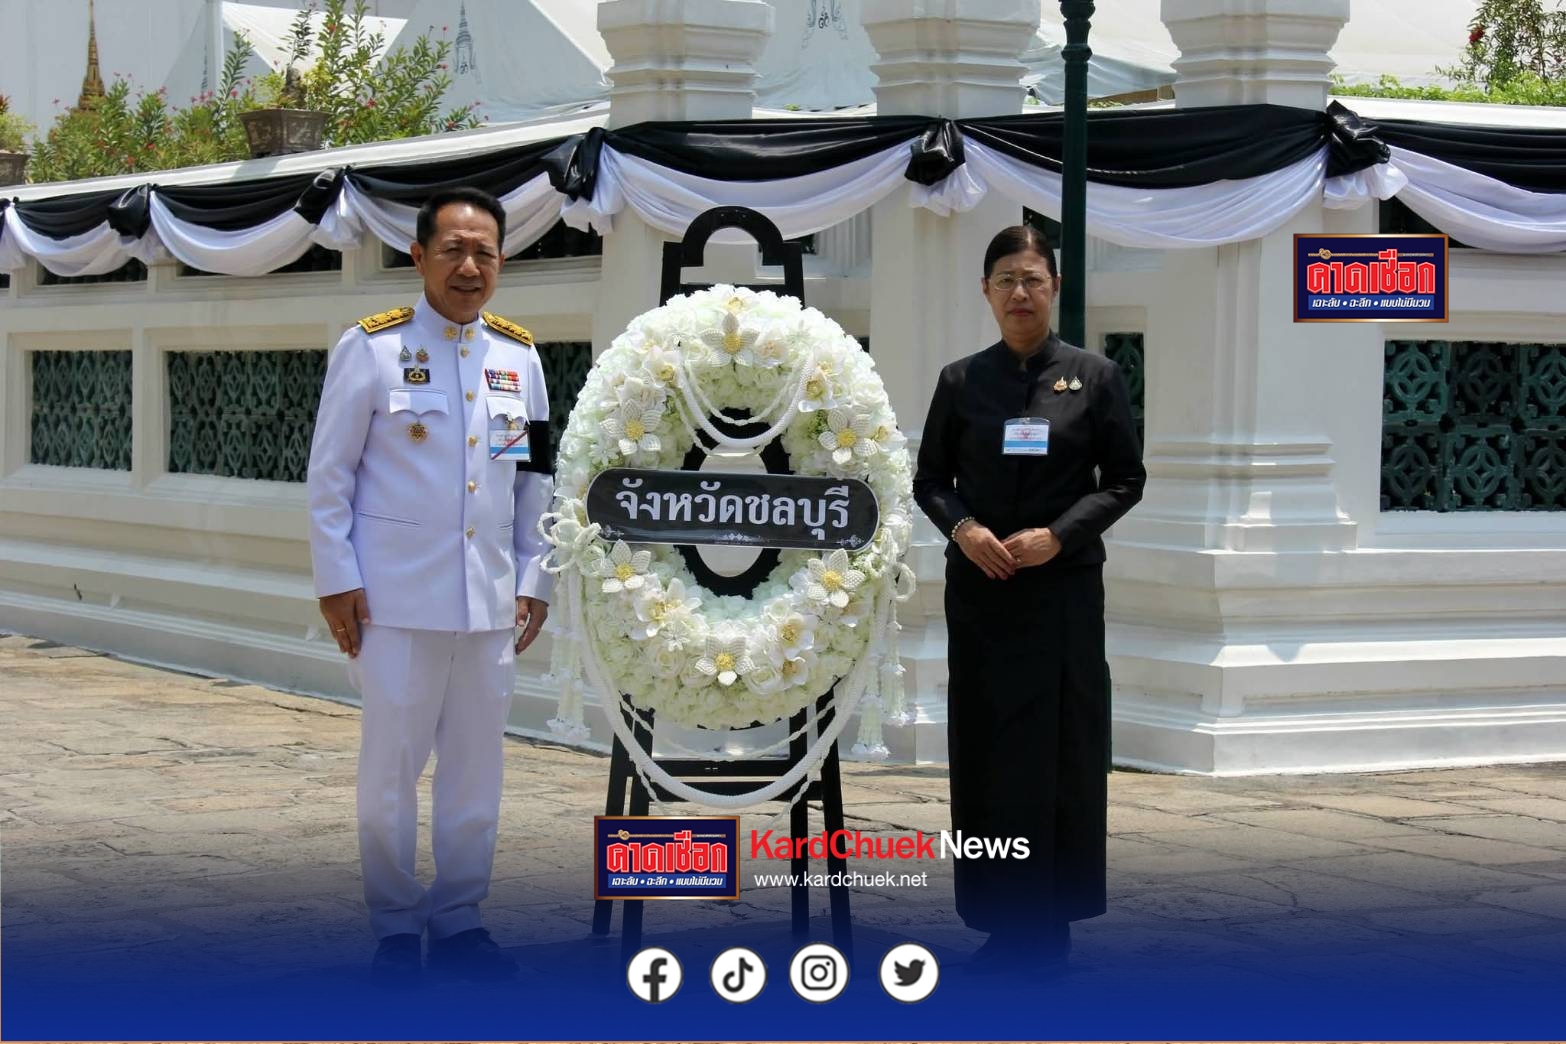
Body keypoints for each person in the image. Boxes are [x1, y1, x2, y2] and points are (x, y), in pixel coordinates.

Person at [307, 187, 554, 987]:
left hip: (489, 603)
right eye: (453, 250)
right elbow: (331, 476)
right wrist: (336, 579)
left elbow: (535, 482)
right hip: (393, 602)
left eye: (485, 252)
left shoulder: (520, 358)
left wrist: (536, 577)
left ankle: (459, 919)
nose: (469, 266)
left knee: (477, 770)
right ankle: (392, 926)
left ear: (501, 262)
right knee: (391, 770)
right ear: (418, 256)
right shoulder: (372, 348)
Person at [913, 224, 1145, 975]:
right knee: (987, 754)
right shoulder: (960, 381)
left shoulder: (1094, 377)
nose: (1021, 292)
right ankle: (998, 919)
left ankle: (1052, 920)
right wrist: (965, 529)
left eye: (1033, 279)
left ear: (1055, 289)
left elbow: (1125, 480)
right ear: (986, 291)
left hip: (1061, 598)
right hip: (983, 597)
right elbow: (929, 480)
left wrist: (1060, 536)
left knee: (1059, 755)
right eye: (1007, 280)